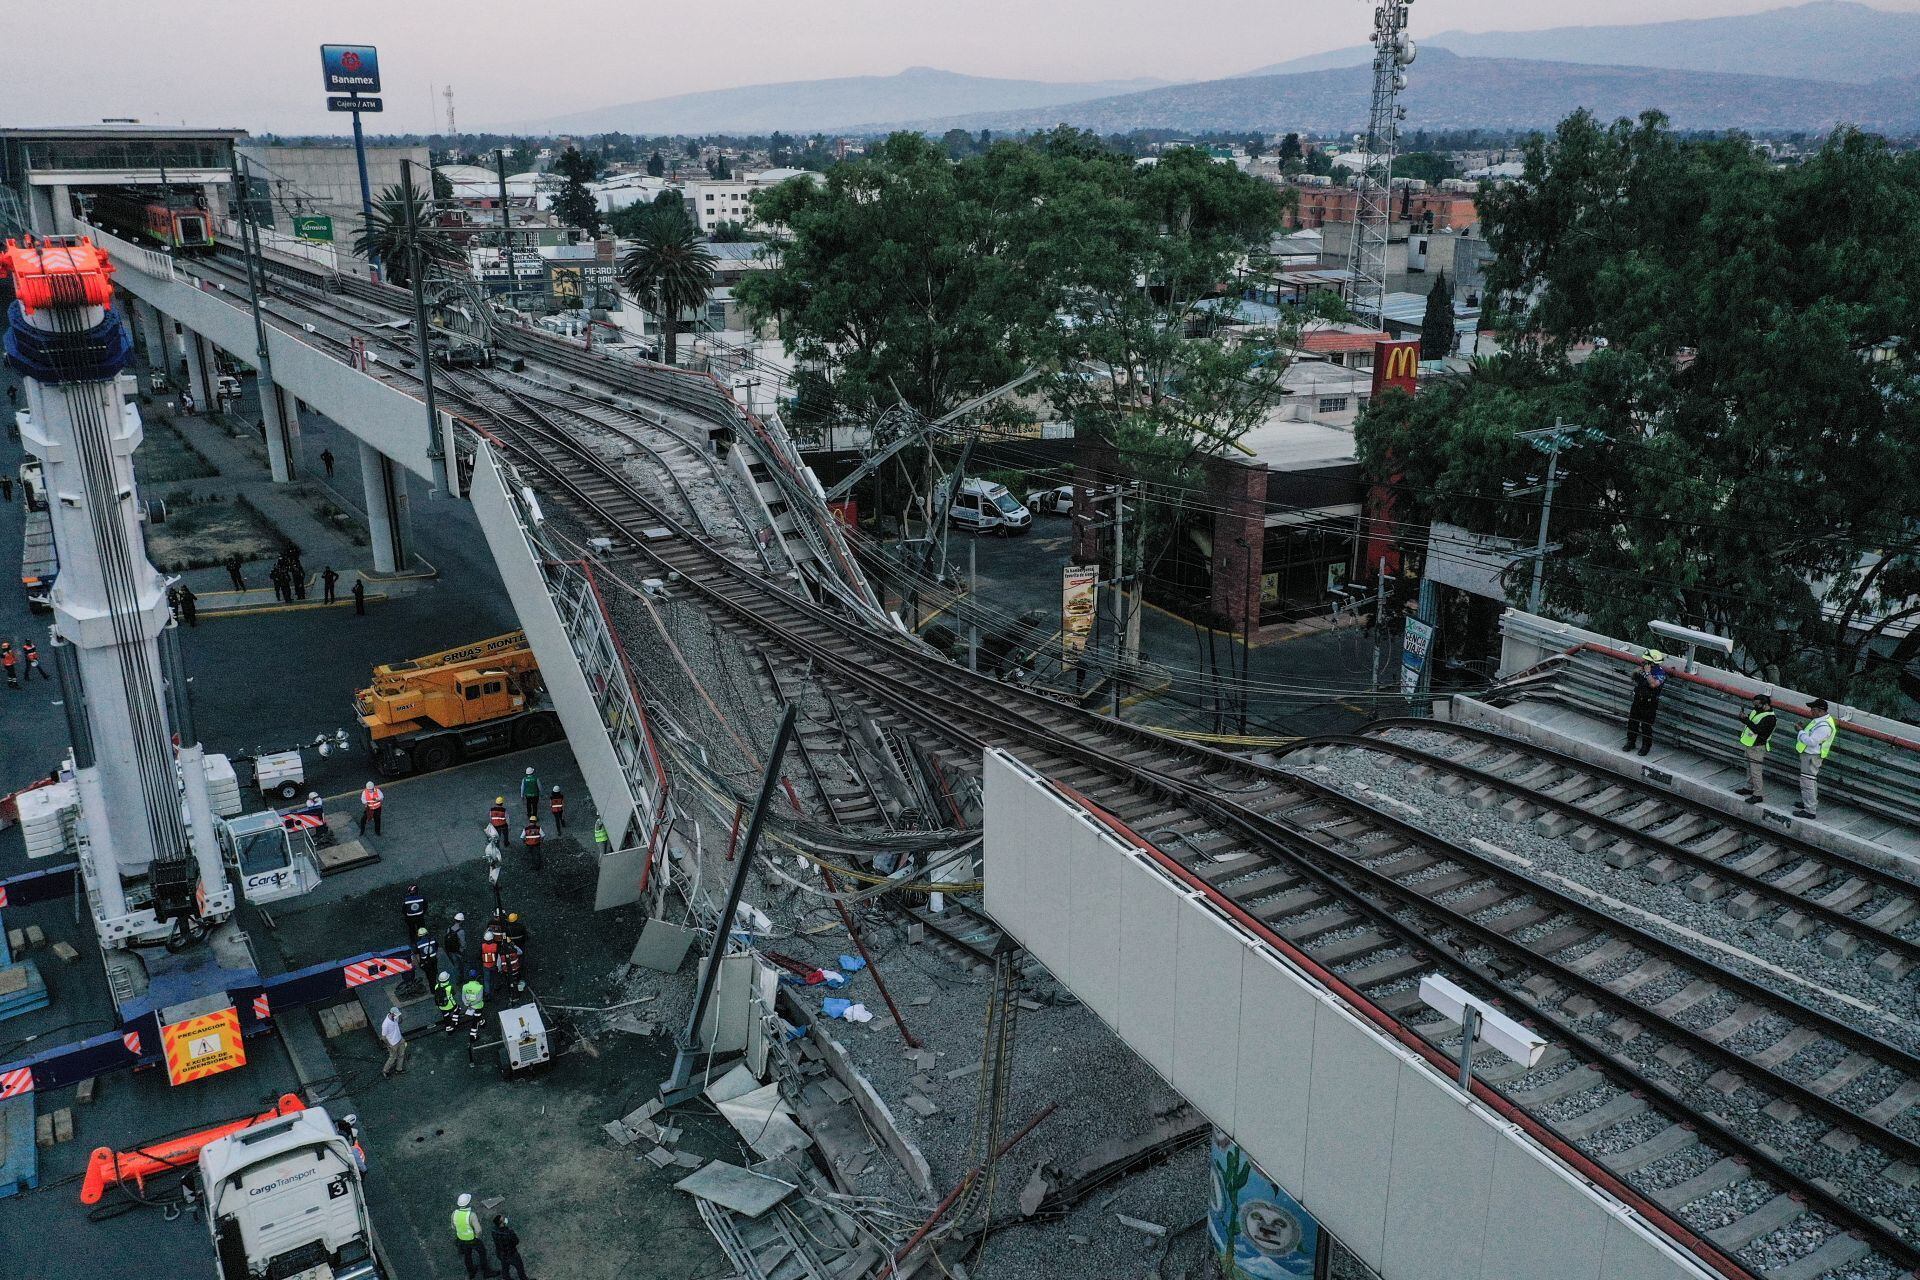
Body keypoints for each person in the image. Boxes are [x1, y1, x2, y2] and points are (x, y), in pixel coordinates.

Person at [1795, 698, 1839, 820]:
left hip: (1811, 756)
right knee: (1810, 781)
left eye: (1813, 710)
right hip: (1810, 755)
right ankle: (1809, 804)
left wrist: (1800, 731)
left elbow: (1811, 741)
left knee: (1807, 782)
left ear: (1820, 711)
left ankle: (1809, 810)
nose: (1811, 712)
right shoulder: (1820, 721)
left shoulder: (1824, 726)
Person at [1735, 694, 1778, 806]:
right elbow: (1751, 721)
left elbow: (1758, 730)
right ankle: (1749, 787)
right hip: (1750, 744)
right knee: (1749, 768)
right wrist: (1743, 718)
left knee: (1756, 771)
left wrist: (1746, 721)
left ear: (1765, 705)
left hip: (1757, 746)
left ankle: (1758, 794)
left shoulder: (1770, 718)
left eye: (1757, 705)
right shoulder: (1757, 711)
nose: (1755, 707)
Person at [1623, 649, 1667, 756]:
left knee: (1646, 725)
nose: (1643, 662)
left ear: (1652, 663)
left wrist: (1647, 673)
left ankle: (1646, 746)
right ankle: (1631, 741)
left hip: (1649, 702)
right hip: (1638, 699)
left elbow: (1653, 685)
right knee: (1633, 721)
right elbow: (1633, 678)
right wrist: (1637, 671)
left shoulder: (1660, 673)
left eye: (1646, 661)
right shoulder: (1642, 668)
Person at [451, 1193, 492, 1279]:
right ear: (468, 1203)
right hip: (472, 1239)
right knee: (482, 1252)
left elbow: (453, 1226)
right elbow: (478, 1230)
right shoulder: (471, 1215)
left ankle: (471, 1272)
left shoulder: (454, 1213)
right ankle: (486, 1271)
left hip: (461, 1240)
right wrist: (477, 1236)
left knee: (467, 1256)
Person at [491, 1214, 529, 1280]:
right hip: (512, 1254)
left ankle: (506, 1278)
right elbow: (516, 1241)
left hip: (500, 1254)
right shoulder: (509, 1233)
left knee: (505, 1267)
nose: (505, 1219)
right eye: (503, 1219)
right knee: (520, 1268)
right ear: (501, 1223)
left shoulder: (493, 1231)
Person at [379, 1006, 408, 1077]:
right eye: (396, 1014)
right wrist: (389, 1045)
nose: (397, 1016)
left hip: (400, 1039)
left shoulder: (395, 1017)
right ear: (391, 1013)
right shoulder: (386, 1024)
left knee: (401, 1054)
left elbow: (400, 1021)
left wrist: (399, 1016)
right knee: (392, 1057)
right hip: (393, 1043)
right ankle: (385, 1071)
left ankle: (399, 1069)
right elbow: (383, 1037)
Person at [480, 930, 499, 997]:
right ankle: (496, 986)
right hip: (493, 964)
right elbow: (497, 955)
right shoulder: (495, 945)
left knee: (486, 979)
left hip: (485, 965)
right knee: (495, 976)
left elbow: (479, 955)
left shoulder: (483, 945)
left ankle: (487, 992)